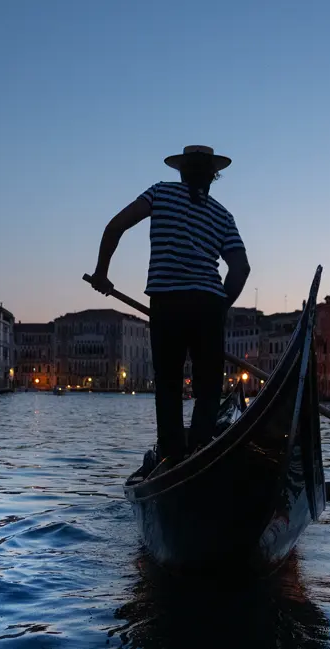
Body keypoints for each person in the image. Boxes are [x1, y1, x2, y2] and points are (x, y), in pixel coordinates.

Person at [89, 145, 251, 472]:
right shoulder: (223, 216)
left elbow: (115, 226)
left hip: (167, 302)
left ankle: (172, 455)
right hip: (208, 304)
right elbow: (241, 269)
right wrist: (221, 307)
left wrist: (101, 274)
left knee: (168, 384)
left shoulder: (160, 193)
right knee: (208, 386)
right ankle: (203, 449)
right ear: (212, 177)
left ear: (181, 172)